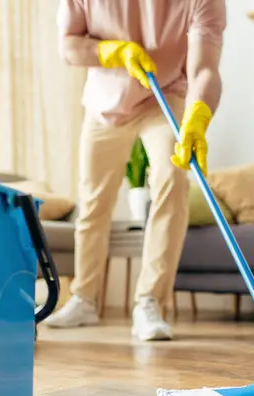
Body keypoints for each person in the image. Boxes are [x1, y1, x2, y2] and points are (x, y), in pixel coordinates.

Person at [46, 0, 226, 340]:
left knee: (172, 180)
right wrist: (112, 52)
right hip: (104, 106)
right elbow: (69, 46)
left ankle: (149, 302)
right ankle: (84, 299)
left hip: (165, 96)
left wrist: (199, 115)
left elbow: (205, 68)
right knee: (94, 201)